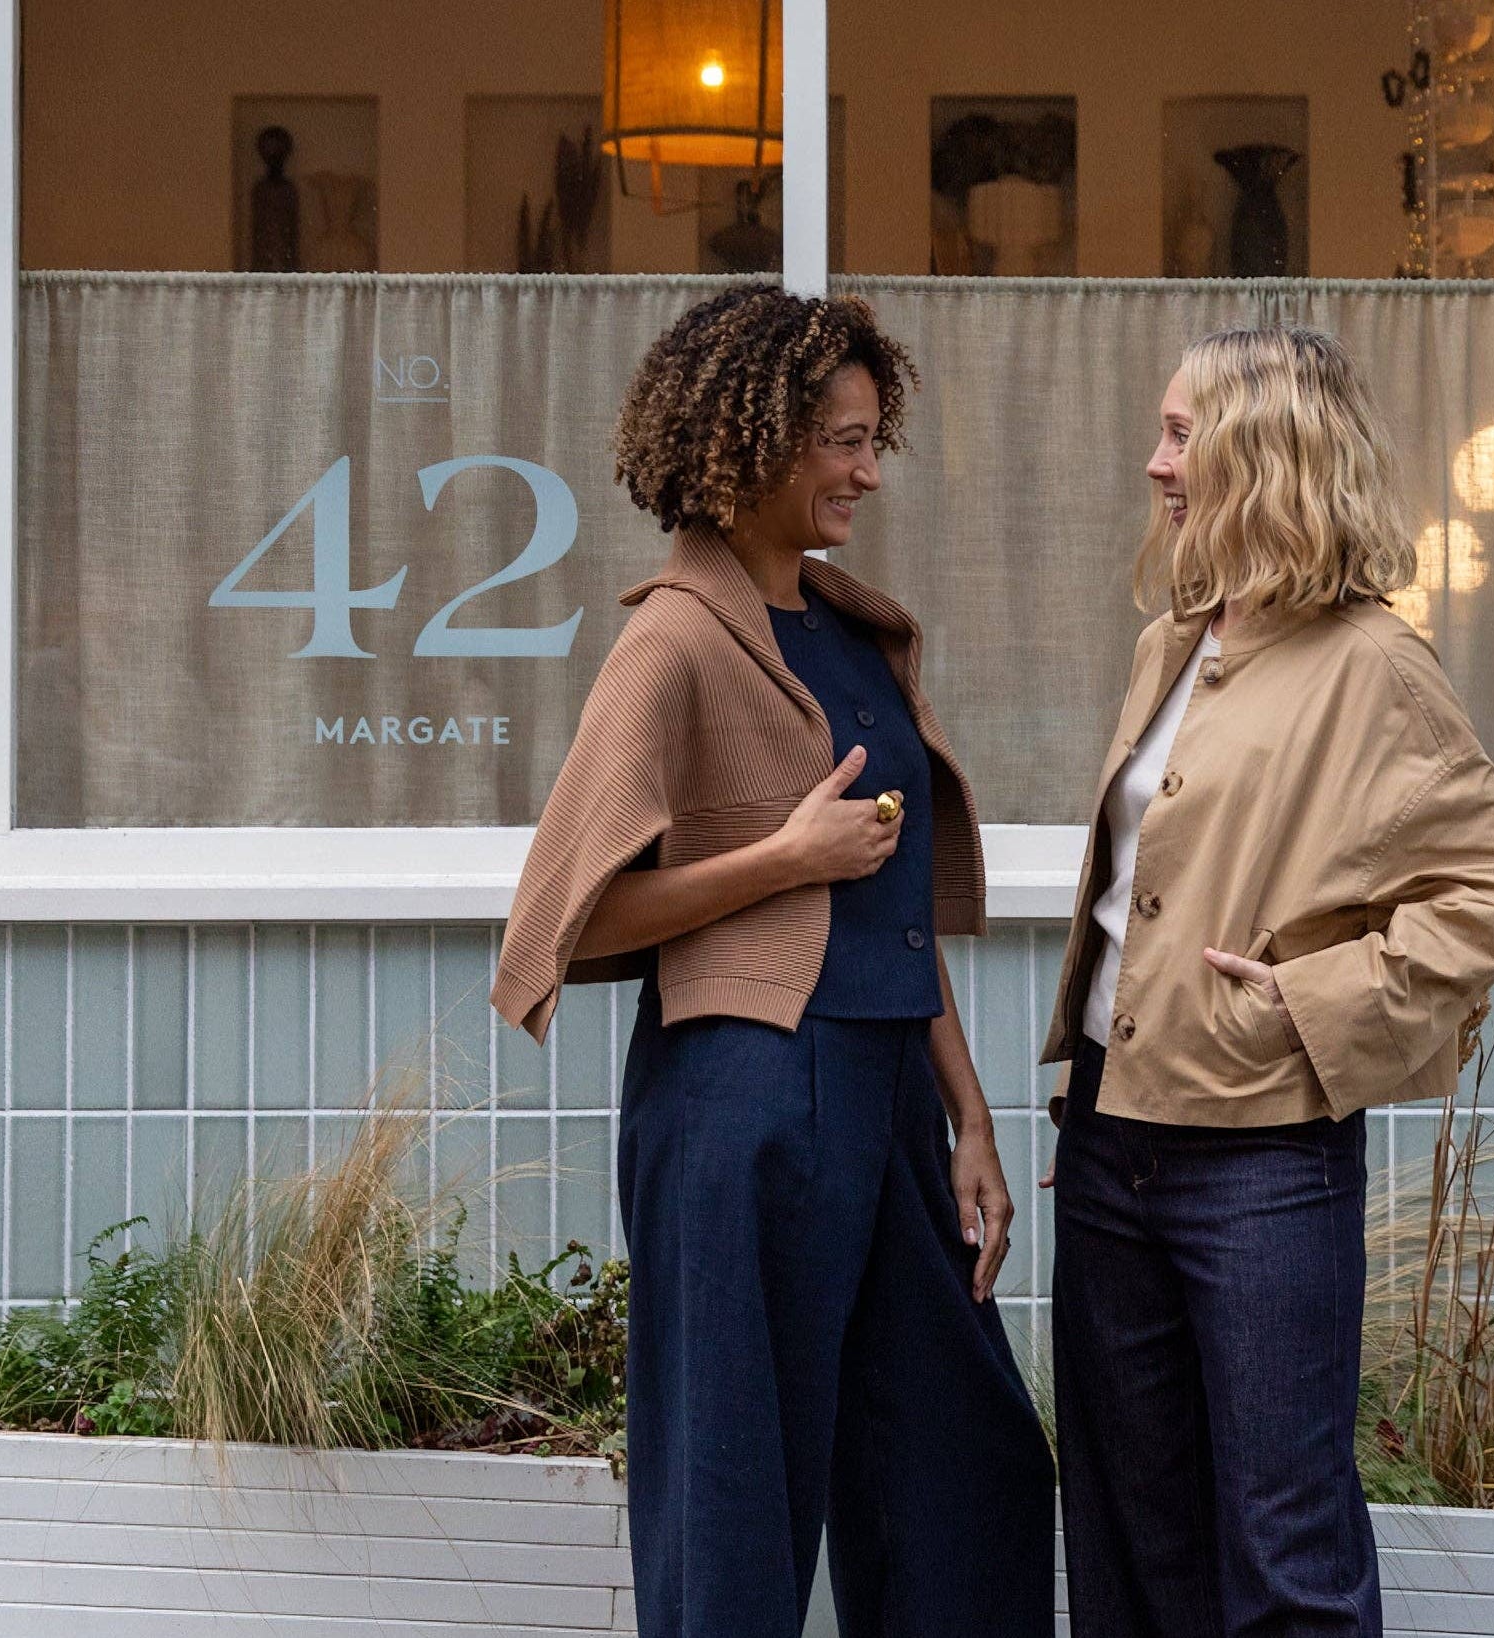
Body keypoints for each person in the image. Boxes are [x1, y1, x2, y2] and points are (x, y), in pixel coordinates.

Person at [492, 285, 1054, 1638]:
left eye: (875, 440)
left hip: (886, 1097)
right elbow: (566, 923)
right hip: (741, 1101)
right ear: (753, 445)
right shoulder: (671, 643)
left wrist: (969, 1115)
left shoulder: (854, 634)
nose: (868, 470)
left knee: (961, 1469)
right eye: (843, 442)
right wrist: (775, 862)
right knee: (734, 1486)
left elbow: (894, 906)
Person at [1038, 324, 1494, 1637]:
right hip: (1108, 1145)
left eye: (1179, 434)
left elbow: (1490, 890)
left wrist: (1308, 1000)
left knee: (1284, 1547)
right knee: (1126, 1531)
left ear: (1265, 456)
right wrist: (1111, 1068)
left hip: (1260, 1158)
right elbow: (1134, 890)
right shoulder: (1173, 643)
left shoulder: (1373, 664)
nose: (1155, 463)